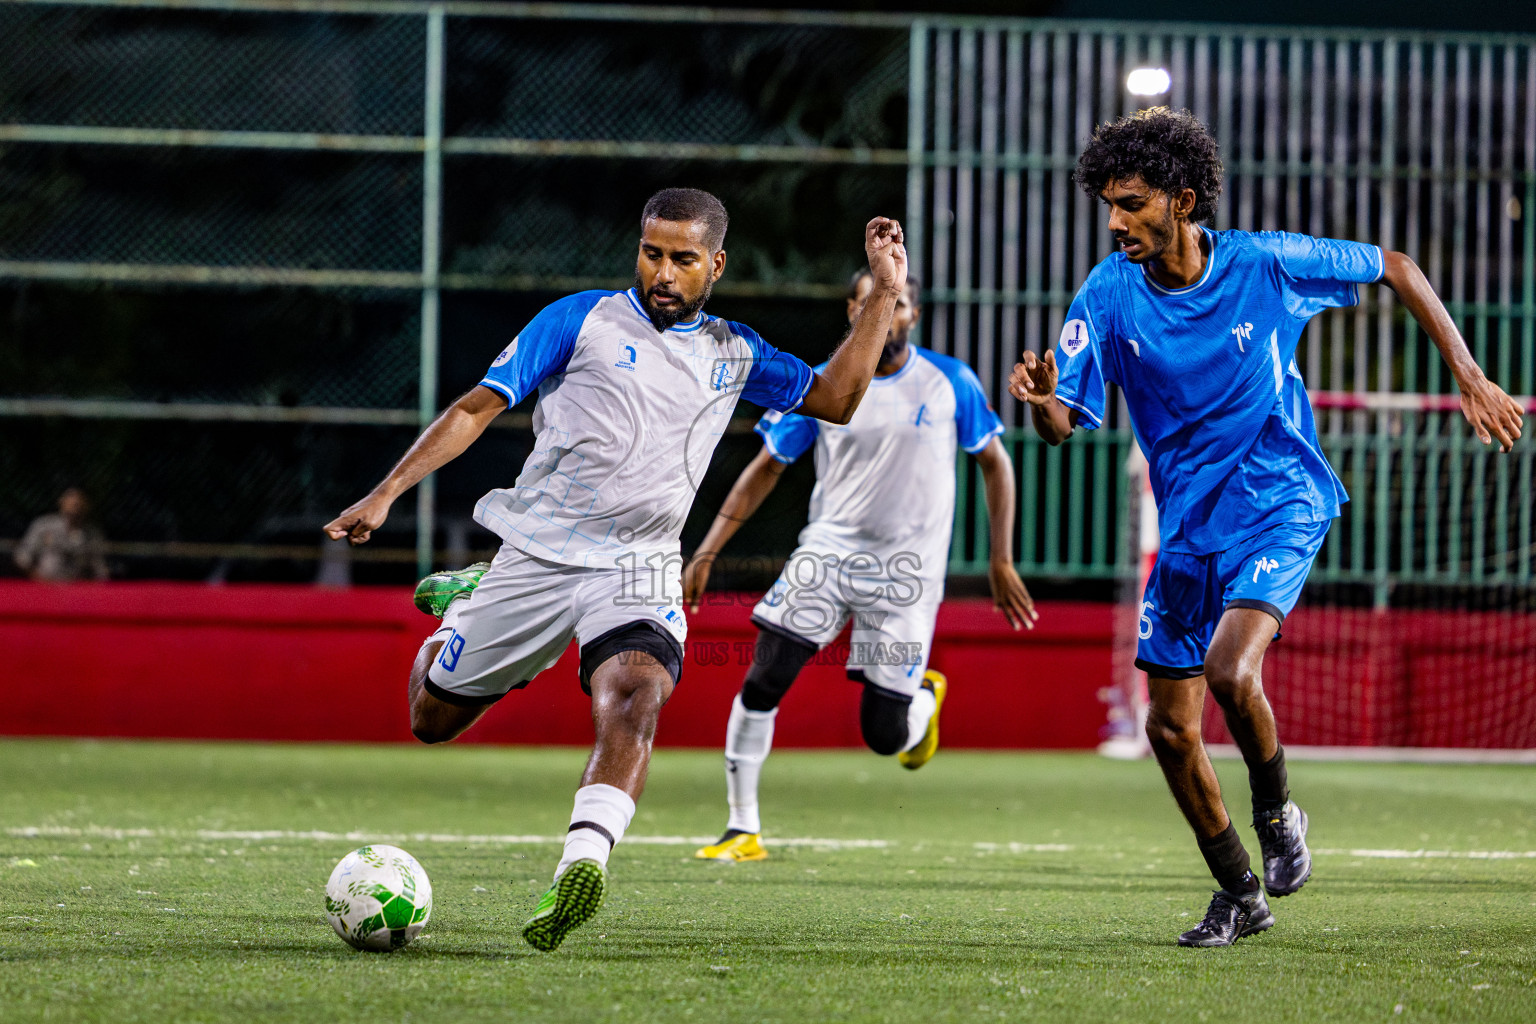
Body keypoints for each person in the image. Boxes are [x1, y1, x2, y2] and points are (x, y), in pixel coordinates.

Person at [324, 188, 909, 952]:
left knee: (636, 692)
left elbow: (837, 397)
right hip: (537, 553)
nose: (663, 272)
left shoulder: (736, 353)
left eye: (683, 259)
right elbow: (475, 407)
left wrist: (886, 292)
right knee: (430, 719)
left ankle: (582, 864)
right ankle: (462, 610)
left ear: (717, 265)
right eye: (652, 253)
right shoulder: (582, 319)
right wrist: (385, 491)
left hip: (638, 564)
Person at [1009, 108, 1524, 947]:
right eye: (1107, 203)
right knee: (1168, 730)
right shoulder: (1106, 292)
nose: (1114, 221)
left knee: (1227, 667)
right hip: (1187, 533)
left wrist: (1468, 374)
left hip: (1281, 502)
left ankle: (1279, 811)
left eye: (1131, 203)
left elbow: (1394, 264)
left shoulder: (1265, 263)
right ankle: (1240, 895)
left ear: (1182, 201)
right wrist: (1039, 404)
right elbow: (1067, 420)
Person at [684, 267, 1037, 863]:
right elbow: (766, 467)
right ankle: (741, 827)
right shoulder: (823, 386)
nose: (888, 312)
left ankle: (922, 699)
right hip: (827, 554)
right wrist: (709, 549)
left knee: (883, 736)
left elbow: (995, 464)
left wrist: (1001, 558)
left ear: (913, 315)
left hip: (906, 575)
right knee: (764, 677)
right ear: (853, 311)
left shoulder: (950, 382)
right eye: (873, 301)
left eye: (897, 303)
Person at [14, 487, 108, 582]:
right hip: (43, 586)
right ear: (61, 501)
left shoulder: (91, 534)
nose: (75, 505)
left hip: (76, 589)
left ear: (87, 506)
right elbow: (22, 557)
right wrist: (39, 579)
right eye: (71, 501)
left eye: (79, 502)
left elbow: (99, 569)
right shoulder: (44, 526)